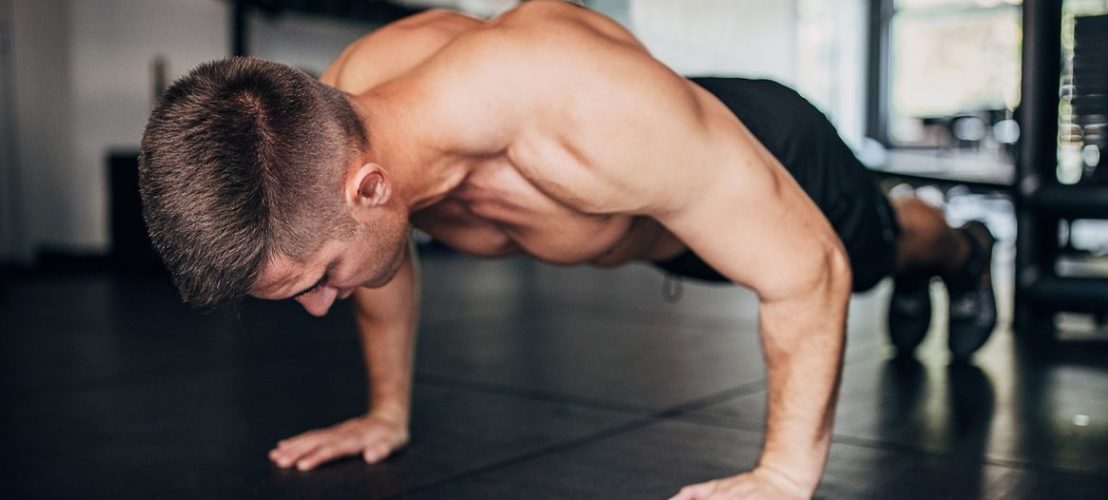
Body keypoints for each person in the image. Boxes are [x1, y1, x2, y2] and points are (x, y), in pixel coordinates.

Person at [138, 2, 996, 498]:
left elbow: (810, 272)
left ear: (370, 187)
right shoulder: (343, 120)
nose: (323, 304)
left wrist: (779, 475)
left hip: (761, 147)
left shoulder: (582, 109)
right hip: (653, 223)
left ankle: (961, 249)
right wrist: (386, 411)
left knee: (881, 250)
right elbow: (377, 259)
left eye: (319, 281)